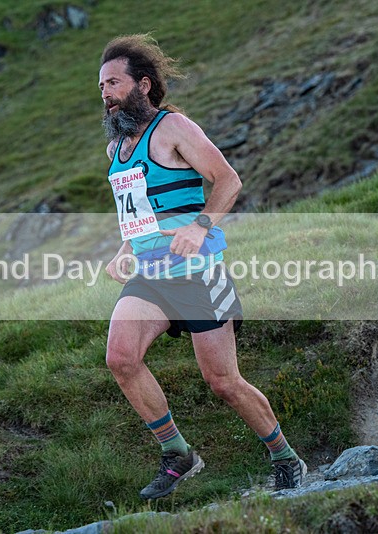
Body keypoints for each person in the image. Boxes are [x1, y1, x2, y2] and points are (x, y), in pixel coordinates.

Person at [99, 34, 307, 500]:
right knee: (121, 358)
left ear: (143, 85)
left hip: (198, 274)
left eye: (114, 83)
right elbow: (139, 214)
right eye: (101, 87)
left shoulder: (173, 128)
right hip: (151, 275)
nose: (106, 94)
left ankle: (285, 457)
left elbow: (228, 180)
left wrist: (200, 226)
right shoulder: (116, 150)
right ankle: (177, 453)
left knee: (223, 382)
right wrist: (125, 248)